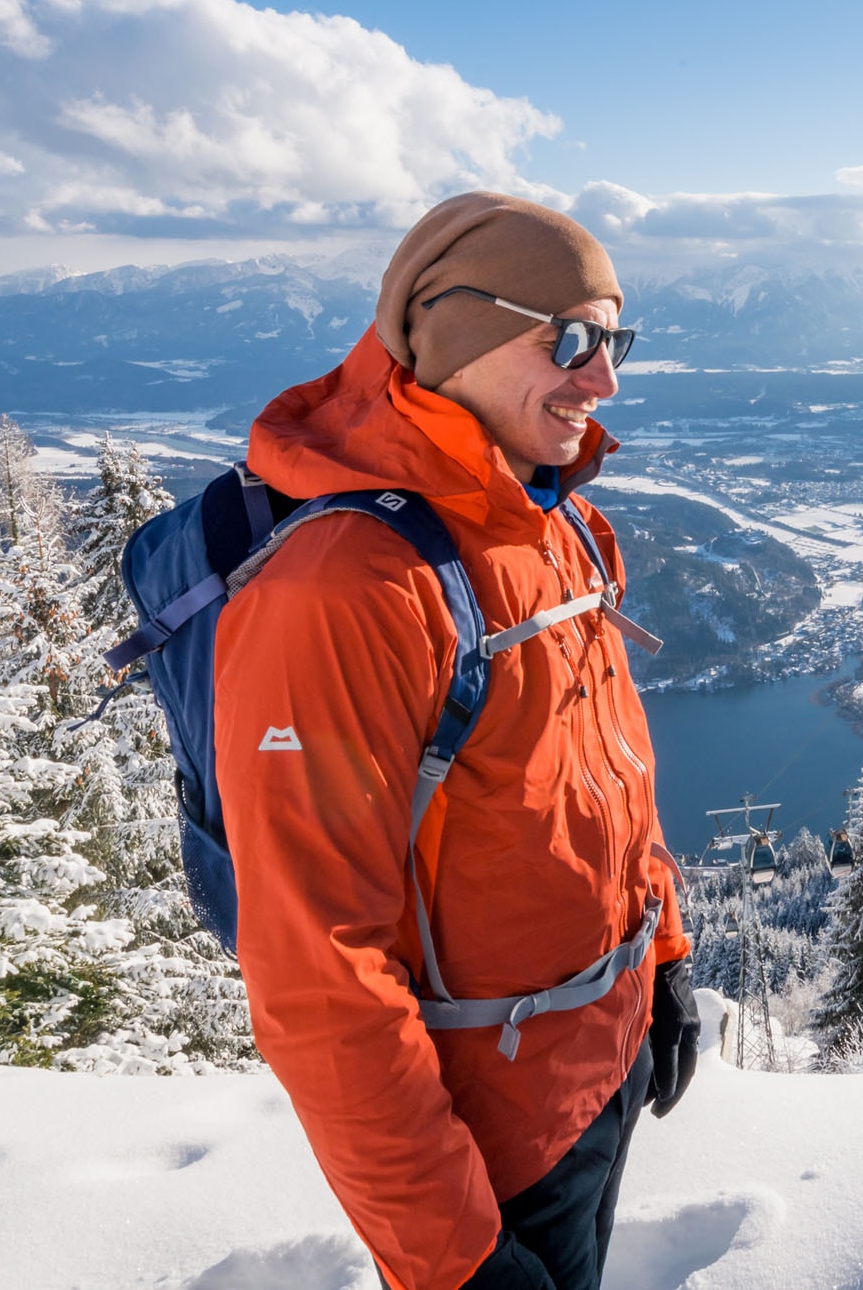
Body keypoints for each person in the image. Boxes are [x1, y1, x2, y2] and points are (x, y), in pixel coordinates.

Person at [214, 193, 698, 1290]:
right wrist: (456, 1261)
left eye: (614, 340)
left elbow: (607, 776)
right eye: (571, 341)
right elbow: (315, 977)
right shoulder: (344, 589)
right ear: (464, 332)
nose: (605, 379)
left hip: (595, 1069)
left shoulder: (556, 516)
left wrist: (659, 959)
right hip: (486, 1149)